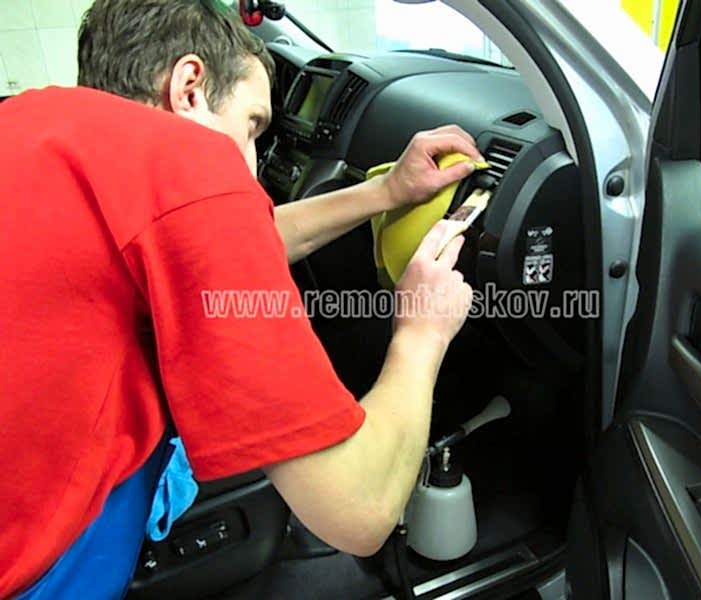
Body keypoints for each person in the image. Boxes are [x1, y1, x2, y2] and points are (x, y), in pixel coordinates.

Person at [0, 0, 479, 596]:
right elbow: (359, 510)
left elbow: (215, 243)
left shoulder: (34, 123)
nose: (252, 166)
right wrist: (421, 332)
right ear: (189, 88)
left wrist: (385, 192)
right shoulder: (187, 162)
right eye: (253, 125)